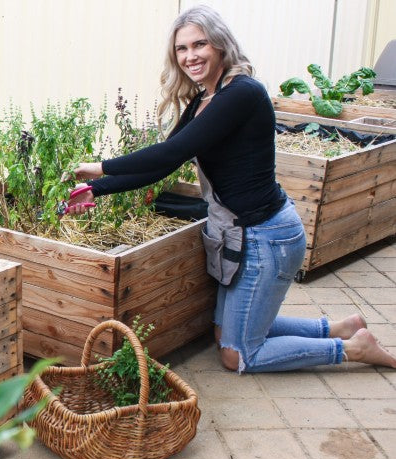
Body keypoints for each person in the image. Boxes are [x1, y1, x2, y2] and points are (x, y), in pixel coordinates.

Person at [66, 5, 396, 372]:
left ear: (220, 45)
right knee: (225, 332)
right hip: (243, 234)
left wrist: (99, 168)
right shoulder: (204, 100)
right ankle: (341, 328)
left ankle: (353, 349)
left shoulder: (242, 93)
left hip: (266, 237)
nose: (190, 56)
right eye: (182, 49)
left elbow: (170, 150)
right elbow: (165, 164)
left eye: (199, 44)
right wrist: (98, 190)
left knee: (237, 354)